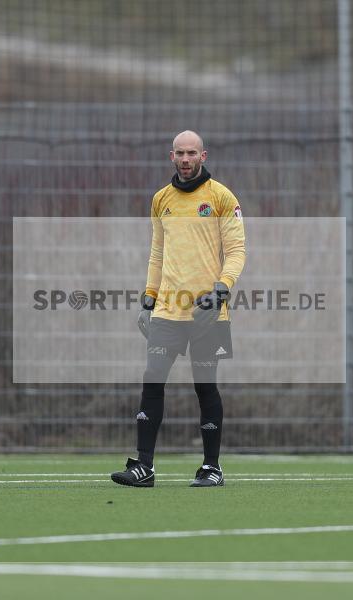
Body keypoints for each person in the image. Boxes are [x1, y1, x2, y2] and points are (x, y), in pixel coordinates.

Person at [111, 130, 245, 488]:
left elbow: (236, 251)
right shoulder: (161, 199)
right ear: (171, 156)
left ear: (204, 156)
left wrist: (221, 289)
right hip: (168, 311)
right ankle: (144, 467)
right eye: (180, 153)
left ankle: (212, 467)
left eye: (192, 153)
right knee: (152, 379)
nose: (186, 159)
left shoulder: (221, 197)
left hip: (206, 312)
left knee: (205, 387)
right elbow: (157, 252)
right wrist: (148, 299)